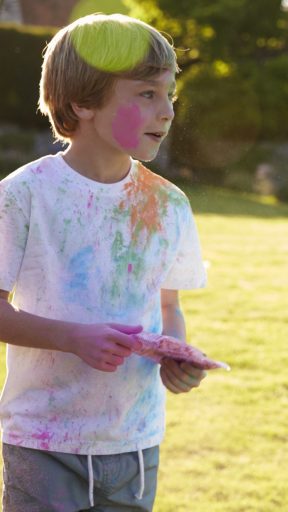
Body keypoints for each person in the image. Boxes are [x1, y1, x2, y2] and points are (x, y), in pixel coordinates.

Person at [0, 13, 206, 511]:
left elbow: (168, 304)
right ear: (82, 103)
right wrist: (71, 338)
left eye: (168, 94)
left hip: (134, 443)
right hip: (43, 442)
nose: (168, 111)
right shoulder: (22, 196)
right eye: (146, 94)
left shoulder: (169, 204)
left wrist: (175, 353)